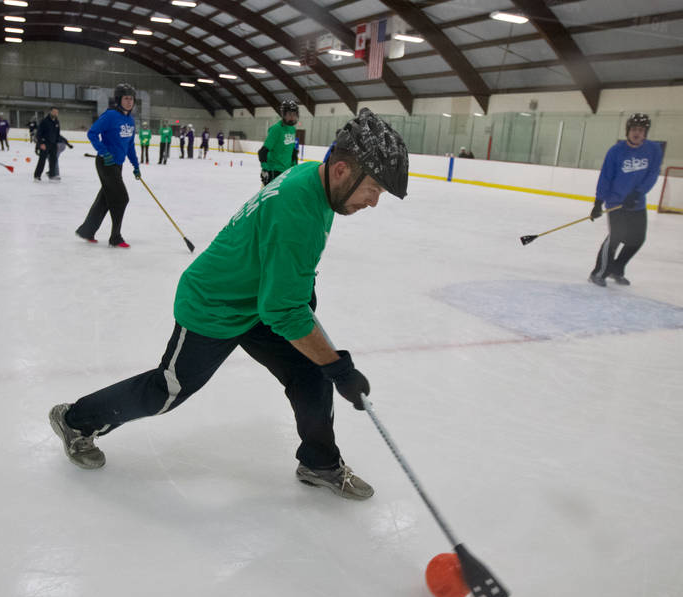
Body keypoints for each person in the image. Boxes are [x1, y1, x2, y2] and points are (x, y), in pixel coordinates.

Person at [48, 108, 409, 500]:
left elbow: (282, 283)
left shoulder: (314, 179)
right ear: (341, 170)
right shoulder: (299, 210)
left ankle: (320, 462)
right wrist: (339, 366)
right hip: (213, 303)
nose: (374, 201)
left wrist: (322, 352)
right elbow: (282, 309)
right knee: (168, 390)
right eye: (373, 188)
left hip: (256, 301)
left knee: (311, 373)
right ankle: (75, 420)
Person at [588, 113, 663, 287]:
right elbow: (605, 177)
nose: (637, 133)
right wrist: (598, 202)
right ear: (628, 131)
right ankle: (599, 272)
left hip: (637, 203)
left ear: (646, 133)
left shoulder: (653, 150)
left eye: (641, 130)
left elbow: (653, 174)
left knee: (637, 239)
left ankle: (617, 269)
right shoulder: (616, 151)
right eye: (634, 129)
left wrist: (638, 193)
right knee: (616, 236)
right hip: (615, 202)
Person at [75, 83, 141, 248]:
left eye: (131, 99)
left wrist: (135, 165)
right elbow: (92, 133)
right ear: (119, 100)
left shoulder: (130, 121)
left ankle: (86, 231)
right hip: (105, 163)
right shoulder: (110, 116)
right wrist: (104, 152)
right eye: (126, 98)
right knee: (121, 198)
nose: (129, 102)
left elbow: (130, 146)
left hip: (118, 165)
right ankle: (115, 237)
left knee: (105, 199)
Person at [259, 99, 299, 186]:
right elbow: (263, 151)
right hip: (274, 171)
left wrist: (294, 166)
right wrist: (265, 169)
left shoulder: (292, 129)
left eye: (294, 114)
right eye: (289, 114)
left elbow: (292, 151)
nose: (292, 117)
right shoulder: (276, 129)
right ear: (283, 115)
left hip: (286, 171)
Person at [34, 107, 72, 182]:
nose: (55, 113)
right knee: (42, 160)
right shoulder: (44, 121)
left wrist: (62, 143)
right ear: (50, 112)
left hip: (53, 144)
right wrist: (41, 143)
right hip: (45, 144)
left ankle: (52, 175)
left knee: (53, 160)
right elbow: (38, 134)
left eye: (56, 112)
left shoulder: (56, 122)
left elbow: (57, 134)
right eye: (54, 112)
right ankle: (37, 176)